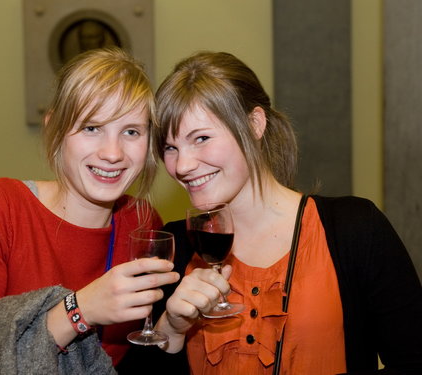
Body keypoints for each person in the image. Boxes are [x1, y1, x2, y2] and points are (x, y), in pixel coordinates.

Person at [151, 51, 422, 374]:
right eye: (170, 147)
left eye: (202, 138)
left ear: (254, 124)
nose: (182, 166)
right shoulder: (175, 246)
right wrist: (172, 327)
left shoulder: (353, 229)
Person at [0, 48, 179, 374]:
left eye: (131, 132)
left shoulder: (142, 222)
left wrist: (176, 324)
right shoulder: (0, 208)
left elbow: (142, 358)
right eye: (92, 128)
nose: (112, 153)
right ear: (55, 129)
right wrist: (79, 310)